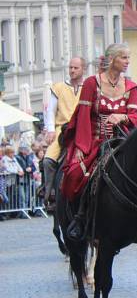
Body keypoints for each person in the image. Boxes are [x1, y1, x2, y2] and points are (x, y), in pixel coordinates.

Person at [62, 44, 137, 241]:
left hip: (122, 140)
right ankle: (79, 218)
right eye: (123, 57)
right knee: (75, 174)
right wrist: (81, 146)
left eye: (128, 58)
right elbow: (82, 117)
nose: (127, 62)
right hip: (93, 139)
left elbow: (135, 115)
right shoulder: (92, 83)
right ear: (112, 59)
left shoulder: (130, 86)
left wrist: (121, 117)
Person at [42, 57, 85, 211]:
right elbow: (50, 111)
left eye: (76, 68)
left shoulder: (88, 87)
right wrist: (51, 130)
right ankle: (50, 193)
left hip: (82, 129)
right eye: (70, 67)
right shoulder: (59, 87)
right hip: (63, 129)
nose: (72, 70)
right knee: (48, 160)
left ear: (83, 69)